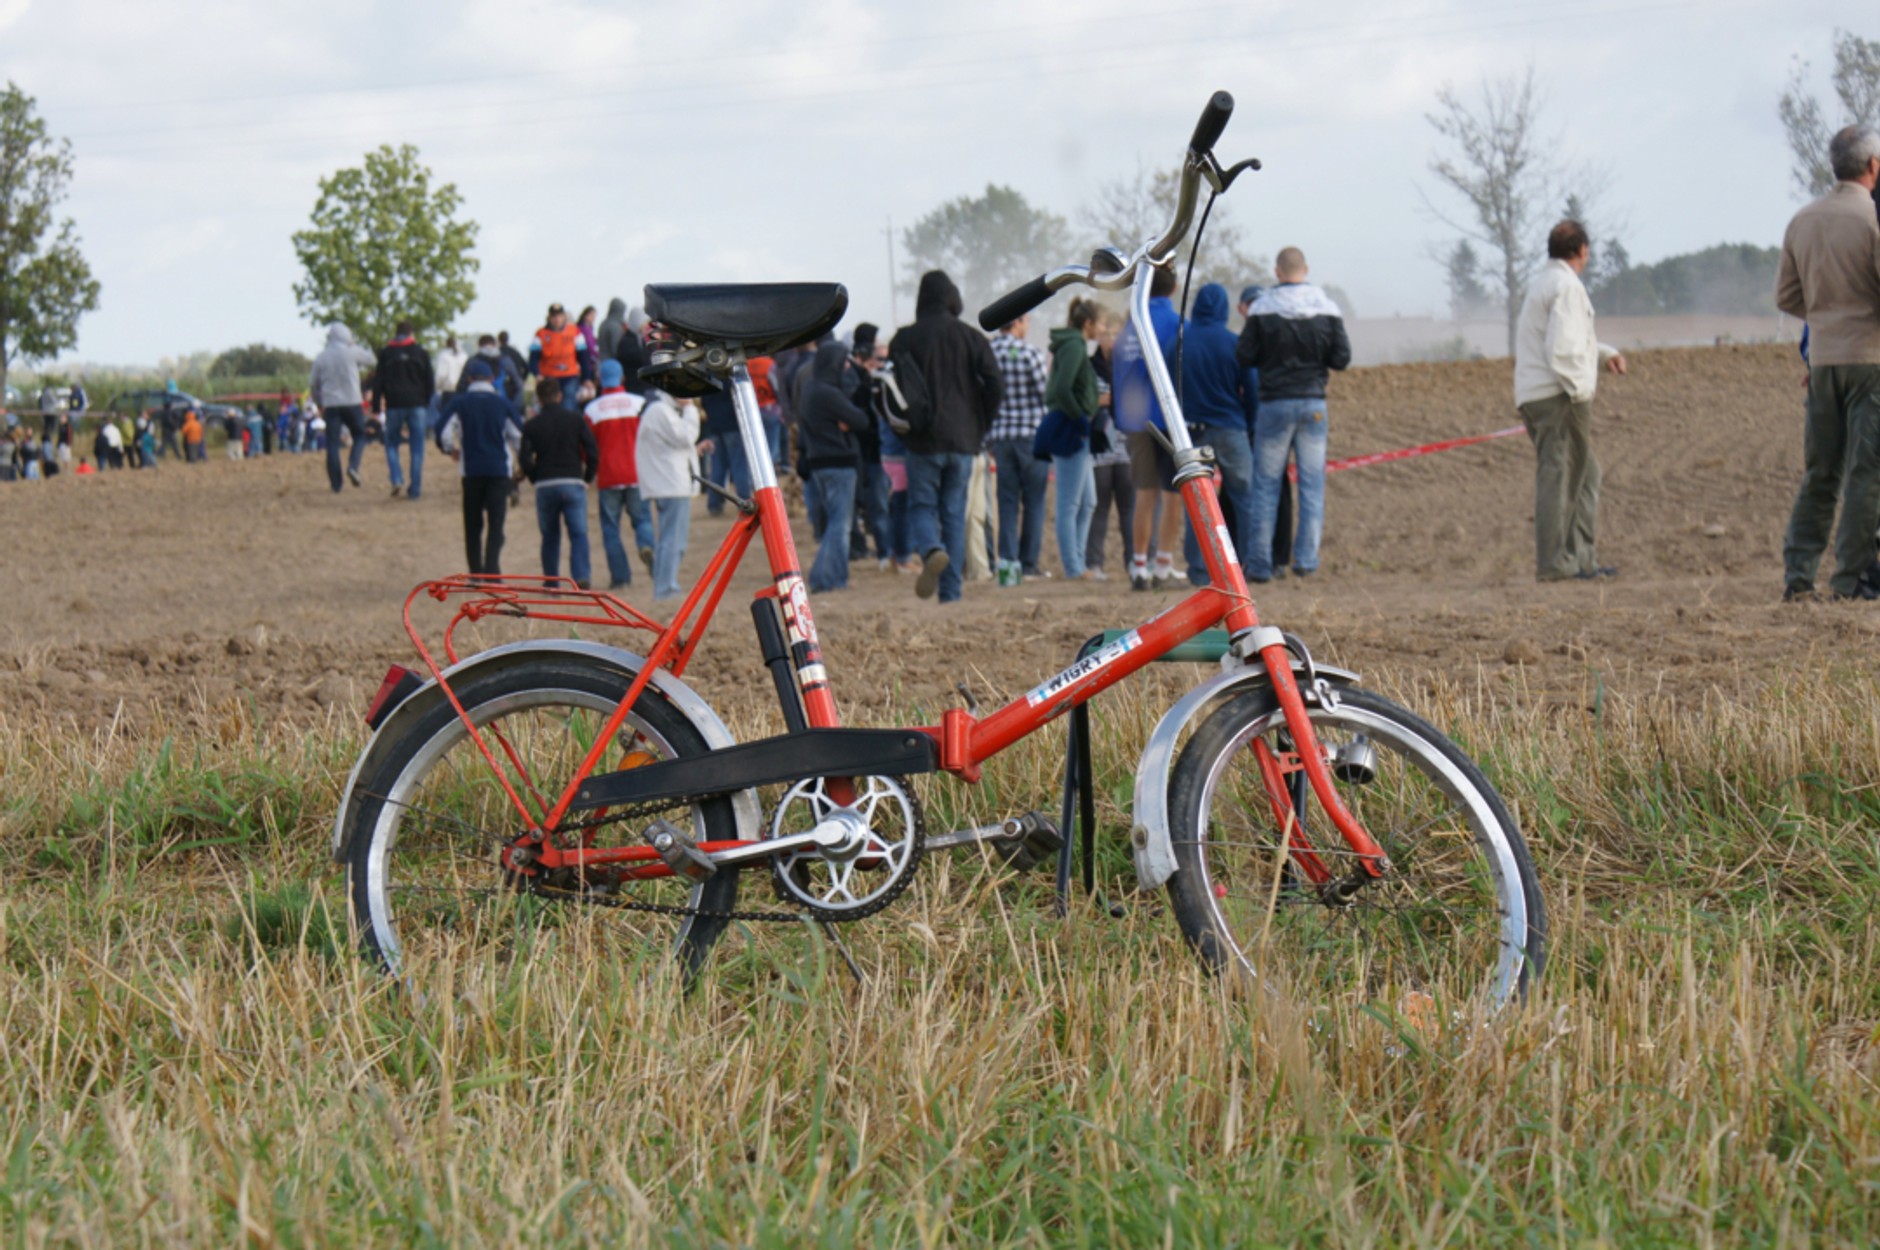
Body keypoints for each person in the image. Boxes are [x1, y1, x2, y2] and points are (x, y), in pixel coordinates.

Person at [1777, 124, 1880, 601]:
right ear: (1873, 165)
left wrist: (1825, 316)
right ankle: (1850, 578)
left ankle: (1798, 576)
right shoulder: (1871, 219)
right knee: (1866, 472)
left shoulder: (1802, 220)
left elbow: (1786, 295)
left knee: (1820, 473)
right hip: (1870, 359)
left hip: (1821, 360)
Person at [1507, 223, 1628, 584]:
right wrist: (1579, 391)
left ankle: (1582, 559)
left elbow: (1571, 340)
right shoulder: (1567, 287)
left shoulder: (1546, 283)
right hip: (1557, 396)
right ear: (1582, 250)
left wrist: (1604, 353)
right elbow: (1562, 349)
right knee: (1559, 476)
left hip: (1537, 392)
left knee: (1585, 473)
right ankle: (1556, 563)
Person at [1236, 247, 1352, 583]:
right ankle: (1306, 560)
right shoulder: (1326, 306)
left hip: (1274, 404)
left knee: (1266, 486)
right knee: (1312, 485)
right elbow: (1341, 358)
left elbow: (1244, 356)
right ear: (1306, 269)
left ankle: (1260, 564)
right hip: (1312, 403)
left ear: (1277, 272)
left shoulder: (1262, 308)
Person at [890, 269, 1003, 602]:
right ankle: (951, 592)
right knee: (954, 514)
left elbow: (891, 389)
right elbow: (995, 383)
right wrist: (981, 423)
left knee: (922, 506)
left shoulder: (904, 339)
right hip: (964, 441)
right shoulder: (971, 337)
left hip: (921, 440)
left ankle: (930, 549)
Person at [1171, 282, 1259, 585]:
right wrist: (1249, 424)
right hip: (1232, 430)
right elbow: (1252, 389)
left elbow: (1168, 388)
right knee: (1245, 498)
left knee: (1198, 502)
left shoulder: (1178, 344)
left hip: (1192, 434)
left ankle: (1199, 570)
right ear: (1223, 308)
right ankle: (1248, 565)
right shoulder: (1235, 343)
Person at [1114, 264, 1184, 590]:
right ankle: (1163, 566)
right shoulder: (1177, 324)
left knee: (1144, 493)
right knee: (1173, 495)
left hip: (1135, 421)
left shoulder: (1129, 327)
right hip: (1169, 420)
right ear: (1174, 289)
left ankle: (1139, 566)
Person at [437, 357, 524, 577]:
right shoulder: (503, 404)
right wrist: (521, 462)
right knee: (496, 523)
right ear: (492, 379)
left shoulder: (460, 403)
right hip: (499, 470)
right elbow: (518, 436)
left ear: (469, 379)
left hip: (472, 470)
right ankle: (492, 570)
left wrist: (450, 450)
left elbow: (442, 431)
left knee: (473, 524)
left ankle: (475, 572)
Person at [986, 312, 1053, 583]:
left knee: (1007, 502)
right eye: (1026, 321)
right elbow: (1046, 396)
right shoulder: (1030, 354)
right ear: (1016, 322)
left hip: (1001, 438)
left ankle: (1008, 564)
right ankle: (1029, 564)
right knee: (1034, 502)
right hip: (1032, 437)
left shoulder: (988, 354)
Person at [1044, 298, 1106, 580]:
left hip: (1076, 429)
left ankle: (1078, 563)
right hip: (1070, 429)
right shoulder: (1073, 346)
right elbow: (1061, 388)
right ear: (1088, 324)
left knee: (1088, 501)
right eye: (1100, 323)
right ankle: (1073, 567)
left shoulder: (1075, 345)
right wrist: (1079, 417)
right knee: (1069, 504)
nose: (1102, 329)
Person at [799, 339, 868, 592]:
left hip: (818, 461)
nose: (846, 366)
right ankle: (826, 578)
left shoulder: (810, 388)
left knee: (835, 522)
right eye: (843, 362)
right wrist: (845, 420)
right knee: (841, 525)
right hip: (839, 461)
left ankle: (835, 576)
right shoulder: (828, 393)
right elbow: (860, 420)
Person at [518, 377, 599, 588]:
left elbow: (524, 458)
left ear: (539, 399)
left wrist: (534, 477)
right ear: (560, 396)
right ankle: (581, 577)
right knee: (578, 533)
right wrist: (588, 477)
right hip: (572, 480)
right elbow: (592, 450)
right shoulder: (575, 420)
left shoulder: (532, 425)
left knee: (550, 536)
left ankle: (552, 582)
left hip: (545, 483)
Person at [585, 358, 653, 590]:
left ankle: (621, 577)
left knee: (611, 528)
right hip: (636, 473)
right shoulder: (639, 403)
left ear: (599, 380)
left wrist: (589, 469)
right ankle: (646, 545)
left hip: (608, 476)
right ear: (622, 378)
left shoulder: (592, 410)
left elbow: (587, 447)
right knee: (642, 519)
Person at [637, 385, 705, 602]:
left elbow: (674, 444)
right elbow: (685, 436)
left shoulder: (659, 410)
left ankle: (663, 586)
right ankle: (666, 589)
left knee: (670, 540)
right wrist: (690, 408)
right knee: (673, 541)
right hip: (671, 485)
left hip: (667, 484)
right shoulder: (660, 410)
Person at [1085, 315, 1135, 577]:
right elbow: (1081, 400)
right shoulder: (1088, 367)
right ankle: (1094, 563)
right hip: (1099, 448)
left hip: (1127, 447)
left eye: (1117, 334)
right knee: (1099, 507)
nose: (1112, 340)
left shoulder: (1129, 366)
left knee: (1129, 508)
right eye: (1107, 334)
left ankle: (1134, 562)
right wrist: (1097, 402)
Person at [309, 322, 376, 492]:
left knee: (332, 443)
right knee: (359, 435)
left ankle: (336, 484)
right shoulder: (352, 352)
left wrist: (319, 402)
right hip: (352, 401)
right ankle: (353, 465)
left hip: (331, 404)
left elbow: (313, 384)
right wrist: (354, 345)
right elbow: (372, 360)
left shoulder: (321, 357)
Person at [375, 319, 435, 499]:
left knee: (391, 443)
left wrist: (376, 406)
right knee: (417, 447)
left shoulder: (386, 353)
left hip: (394, 404)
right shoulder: (421, 353)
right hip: (417, 404)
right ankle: (415, 490)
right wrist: (427, 401)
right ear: (411, 333)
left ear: (396, 333)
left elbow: (378, 382)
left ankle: (396, 478)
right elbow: (430, 381)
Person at [530, 304, 591, 410]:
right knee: (550, 407)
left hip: (570, 376)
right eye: (554, 316)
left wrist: (586, 378)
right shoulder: (541, 334)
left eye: (559, 316)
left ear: (564, 317)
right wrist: (537, 374)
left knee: (569, 405)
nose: (557, 319)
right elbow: (533, 359)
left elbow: (583, 357)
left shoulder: (575, 332)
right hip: (549, 378)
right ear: (549, 318)